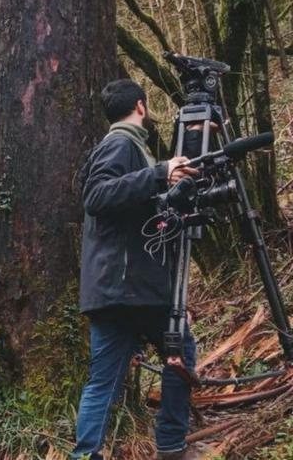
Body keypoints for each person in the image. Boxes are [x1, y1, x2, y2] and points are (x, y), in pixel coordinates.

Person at [72, 79, 203, 460]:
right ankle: (171, 446)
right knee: (181, 354)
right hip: (133, 290)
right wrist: (161, 172)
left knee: (103, 383)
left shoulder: (119, 146)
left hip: (115, 290)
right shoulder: (121, 144)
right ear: (142, 107)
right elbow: (97, 196)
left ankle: (86, 455)